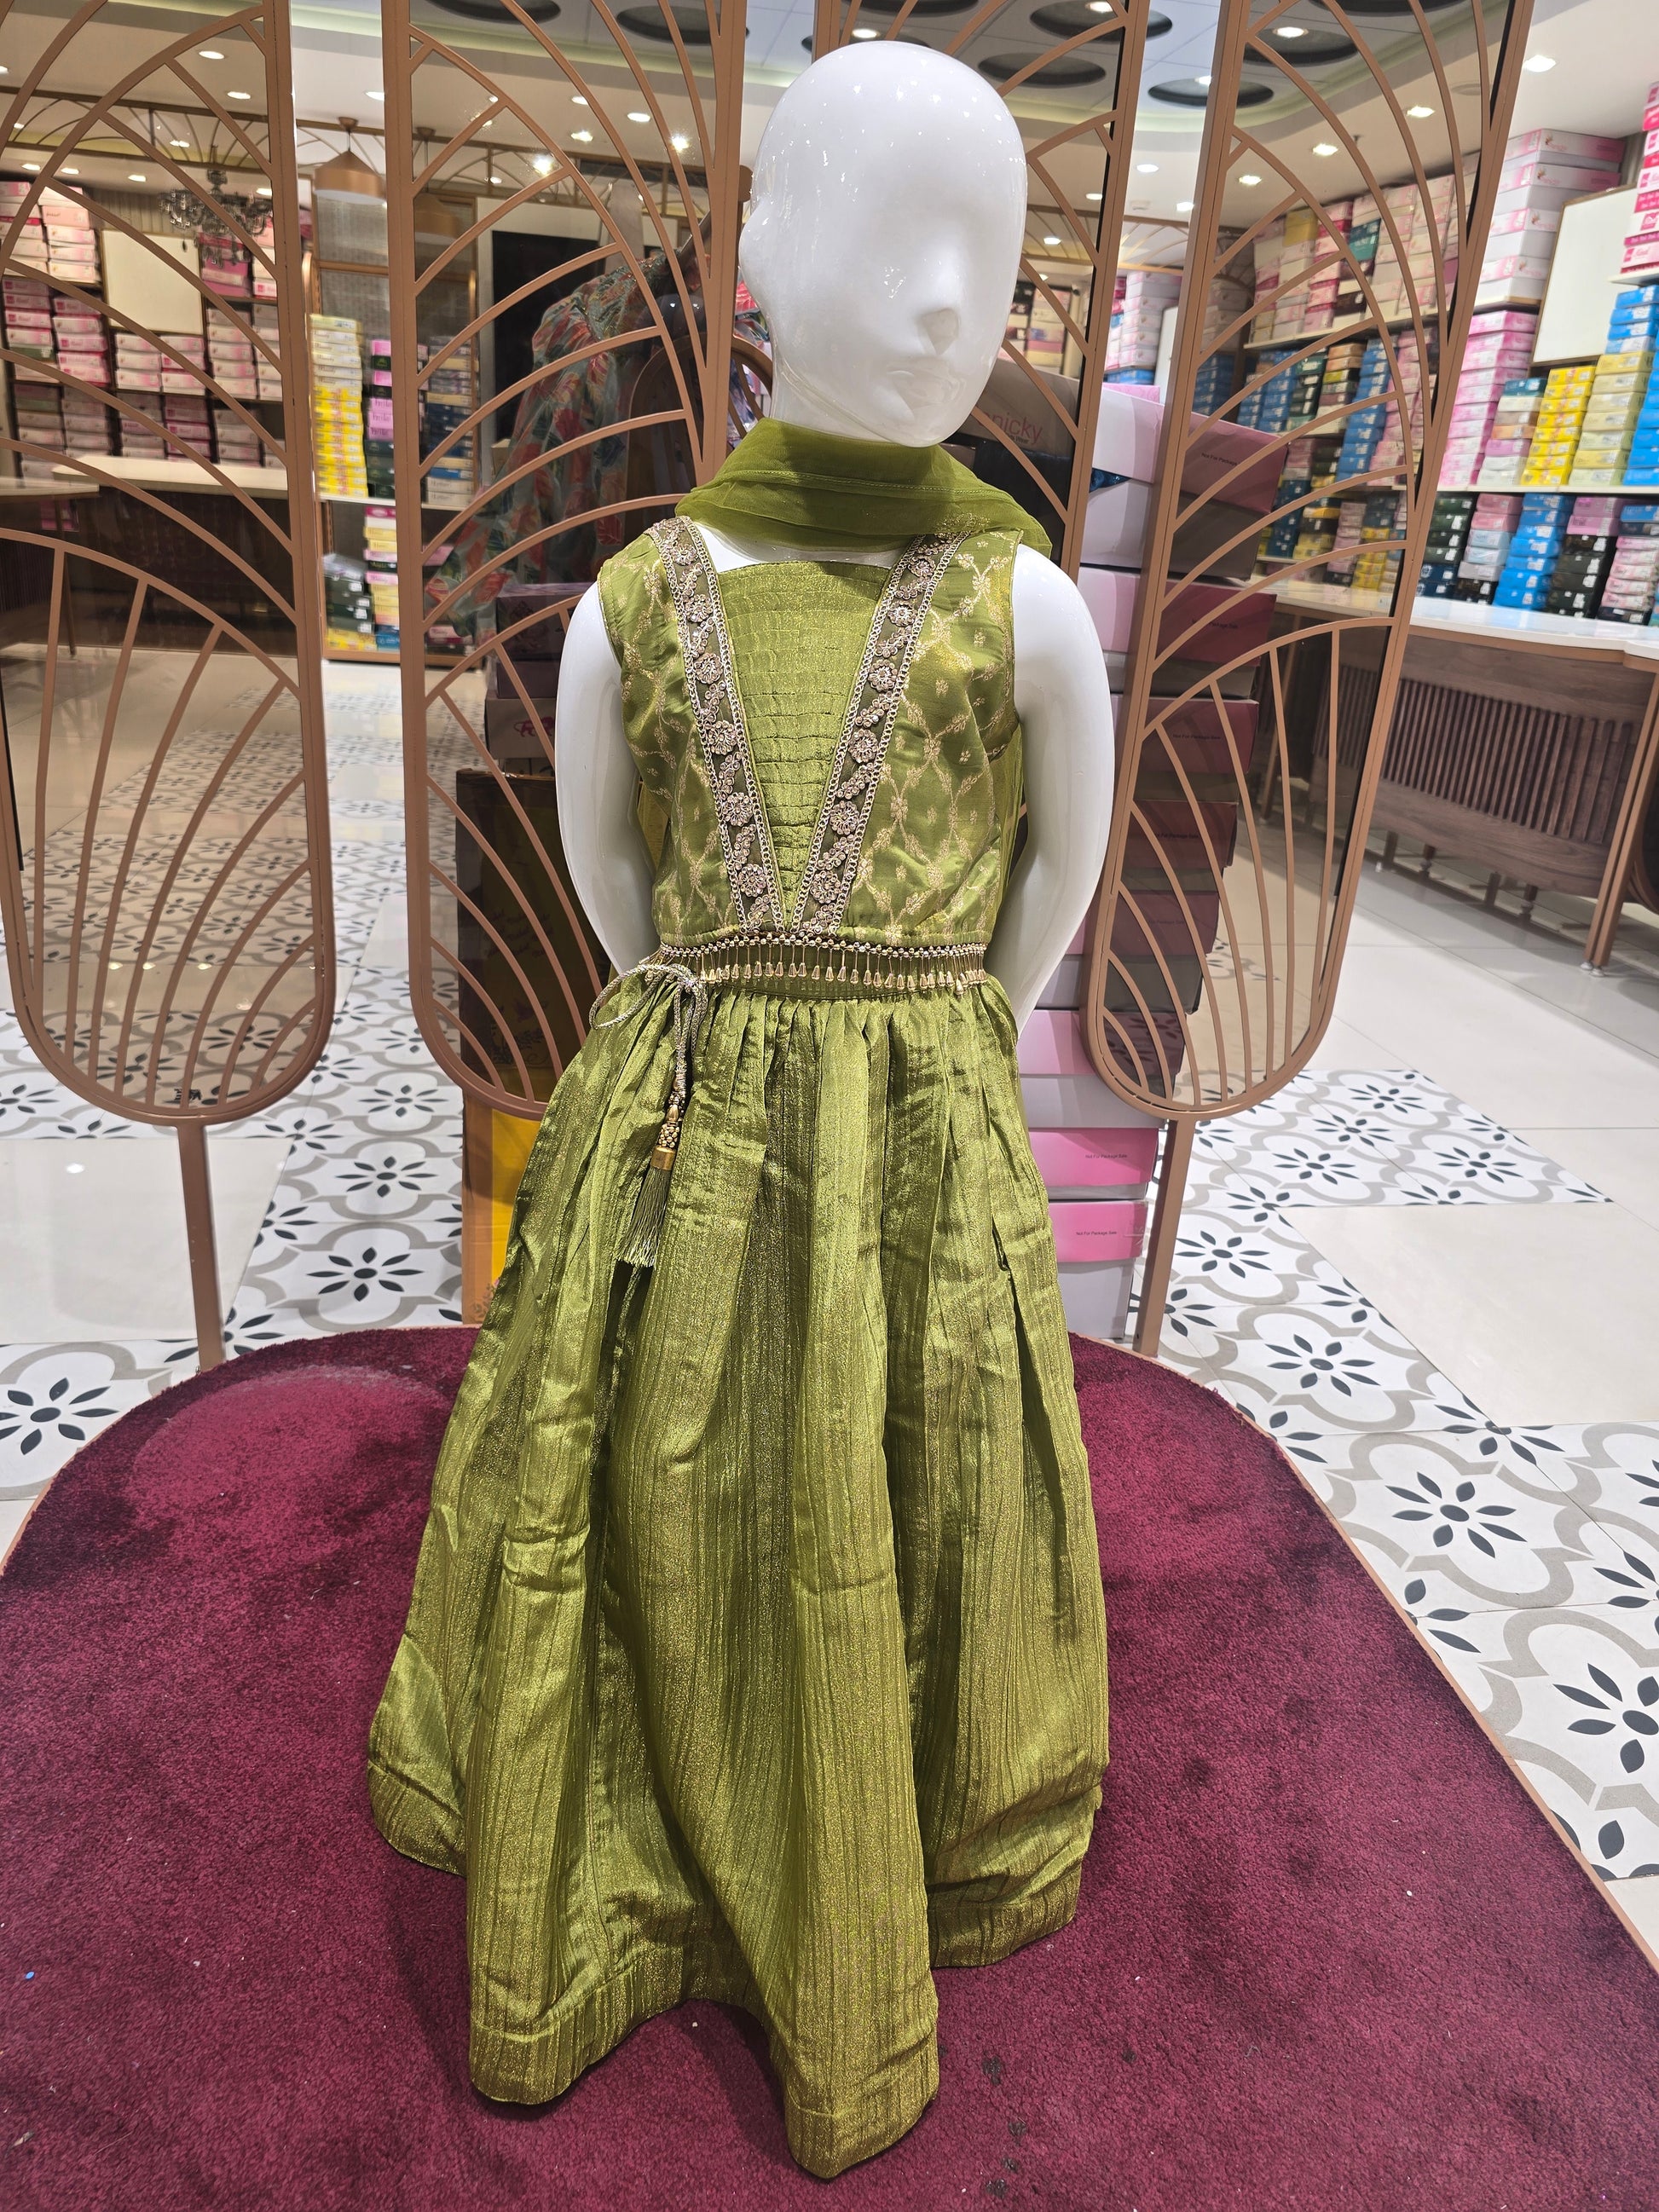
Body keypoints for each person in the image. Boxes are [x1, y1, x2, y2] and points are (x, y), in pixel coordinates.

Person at [368, 42, 1113, 2178]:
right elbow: (615, 892)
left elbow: (1051, 880)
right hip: (688, 1121)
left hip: (916, 1125)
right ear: (761, 254)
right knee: (654, 1458)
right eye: (890, 236)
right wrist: (763, 1021)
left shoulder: (1026, 599)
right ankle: (659, 1829)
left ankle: (901, 1805)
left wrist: (936, 1034)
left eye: (991, 255)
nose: (946, 299)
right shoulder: (634, 599)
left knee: (911, 1448)